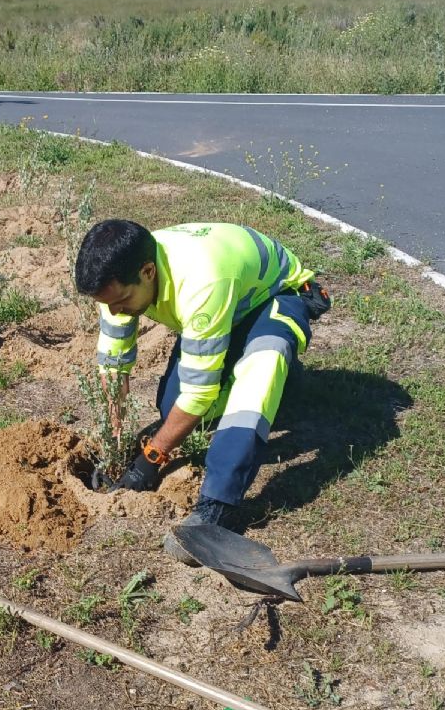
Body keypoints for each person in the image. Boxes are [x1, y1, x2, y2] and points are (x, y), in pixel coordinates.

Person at [74, 219, 331, 550]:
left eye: (121, 301)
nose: (115, 311)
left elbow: (198, 393)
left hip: (274, 297)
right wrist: (116, 426)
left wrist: (151, 458)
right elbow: (114, 361)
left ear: (148, 272)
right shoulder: (117, 281)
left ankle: (216, 508)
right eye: (106, 304)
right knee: (174, 412)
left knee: (259, 370)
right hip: (227, 303)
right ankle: (285, 384)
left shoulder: (201, 281)